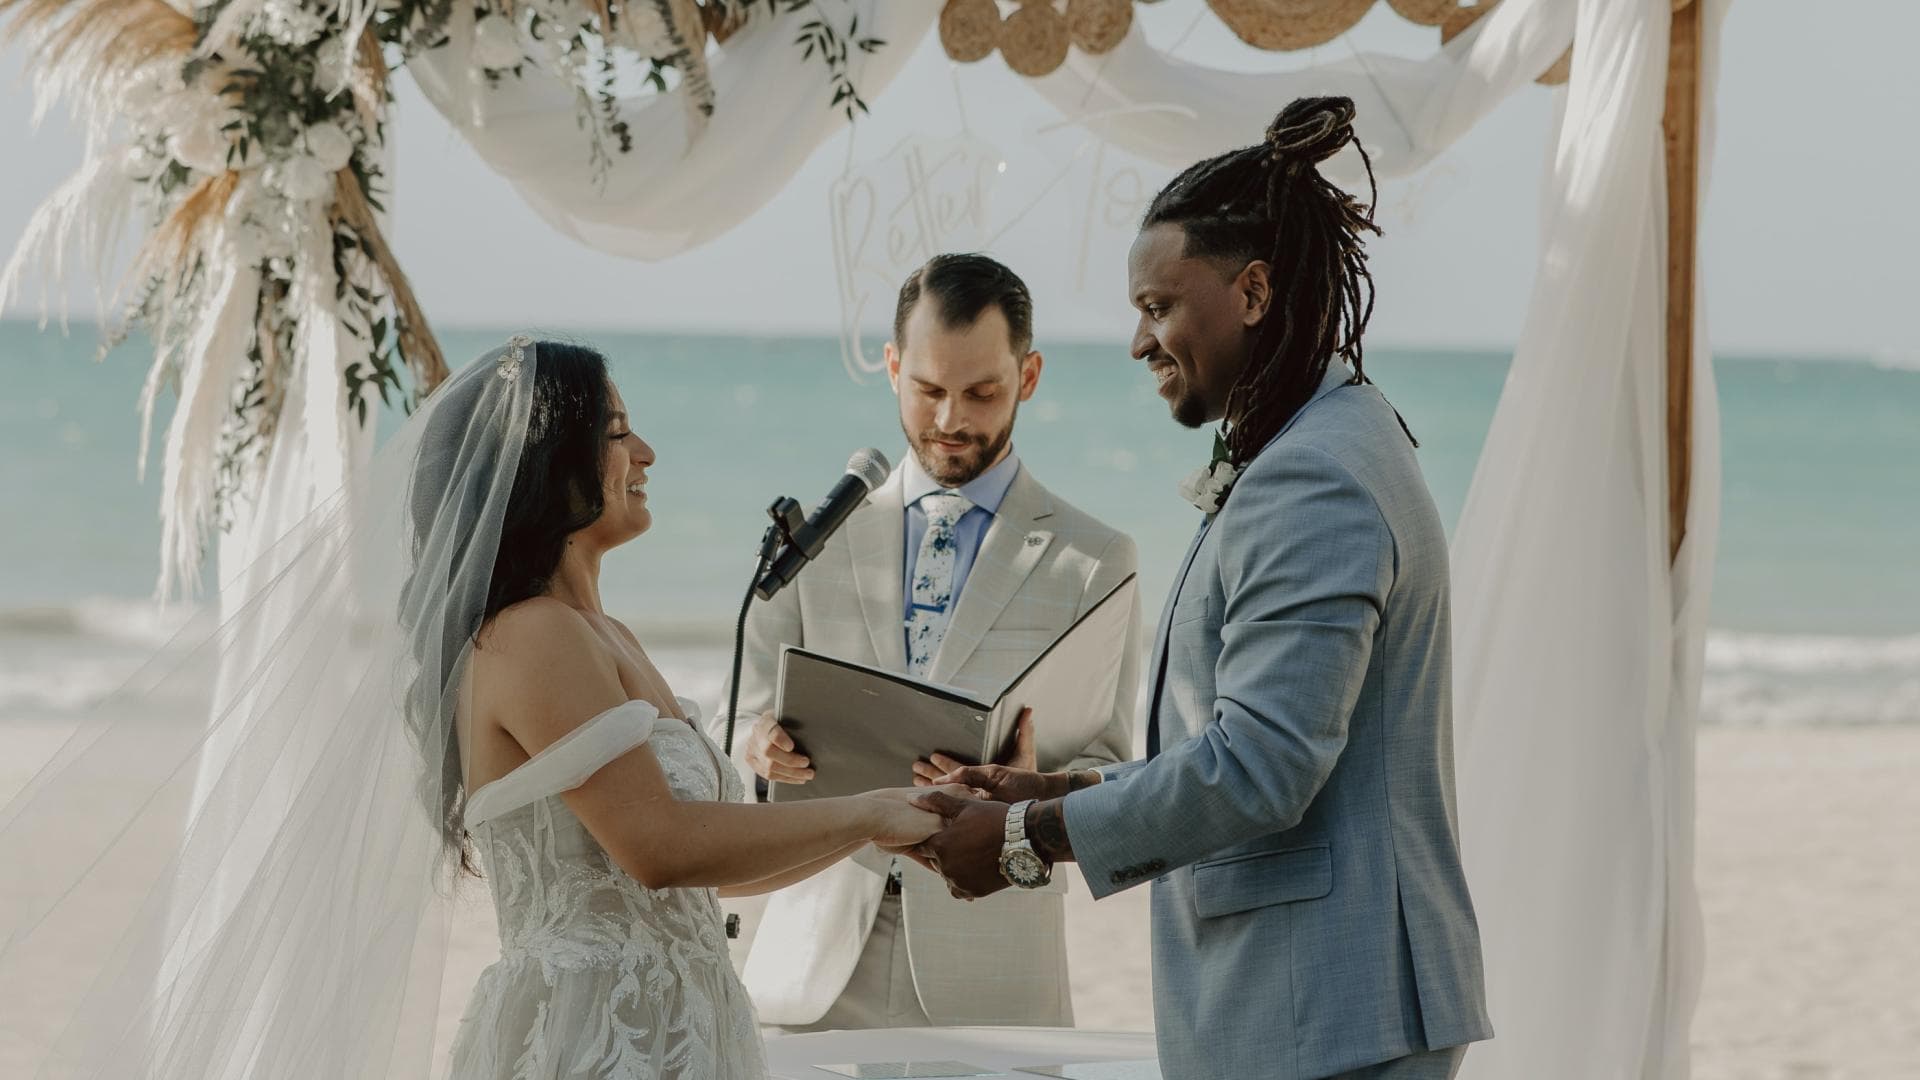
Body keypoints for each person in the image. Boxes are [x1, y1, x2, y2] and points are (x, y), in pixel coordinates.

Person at [0, 337, 954, 1080]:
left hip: (685, 1027)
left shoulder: (609, 636)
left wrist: (882, 825)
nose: (646, 452)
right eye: (617, 432)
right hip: (595, 1038)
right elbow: (659, 848)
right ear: (548, 462)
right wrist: (870, 813)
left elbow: (704, 874)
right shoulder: (533, 638)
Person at [911, 98, 1494, 1080]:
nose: (1139, 343)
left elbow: (1263, 765)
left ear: (1253, 292)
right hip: (1326, 1002)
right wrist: (1056, 788)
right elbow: (1250, 737)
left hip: (1328, 1009)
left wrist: (1024, 838)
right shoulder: (1328, 438)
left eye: (1158, 307)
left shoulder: (1313, 477)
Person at [718, 254, 1140, 1031]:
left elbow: (1112, 768)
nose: (950, 419)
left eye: (981, 392)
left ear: (1029, 375)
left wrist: (1033, 788)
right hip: (811, 962)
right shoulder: (815, 542)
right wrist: (757, 747)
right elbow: (733, 720)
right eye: (928, 389)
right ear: (891, 368)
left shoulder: (1095, 559)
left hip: (991, 965)